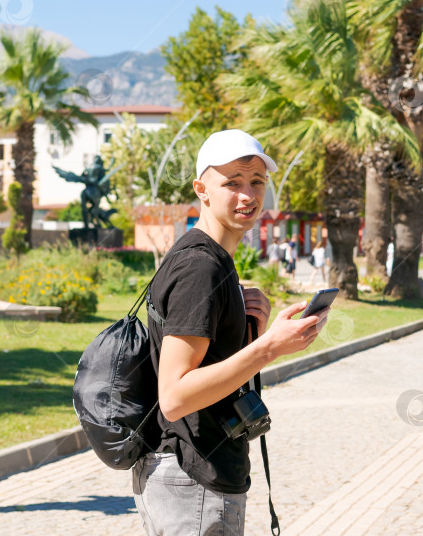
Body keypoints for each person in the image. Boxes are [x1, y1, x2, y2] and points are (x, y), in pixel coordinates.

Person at [133, 129, 329, 536]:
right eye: (232, 182)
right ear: (202, 190)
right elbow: (174, 397)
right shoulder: (201, 268)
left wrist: (251, 328)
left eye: (257, 182)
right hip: (193, 478)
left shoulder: (214, 263)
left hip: (200, 475)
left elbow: (211, 365)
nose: (248, 195)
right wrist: (268, 349)